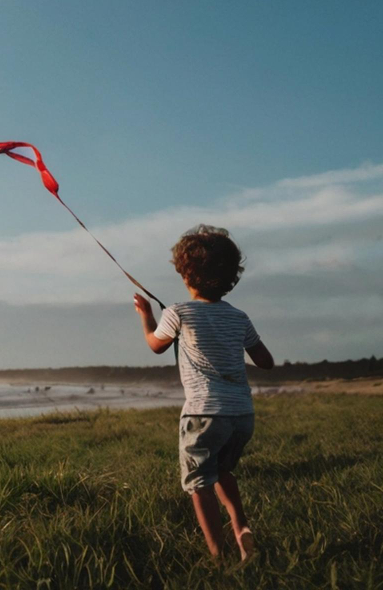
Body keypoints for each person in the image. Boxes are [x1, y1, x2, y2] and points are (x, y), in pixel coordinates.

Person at [132, 224, 274, 562]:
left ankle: (217, 556)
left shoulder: (178, 312)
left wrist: (146, 316)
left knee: (200, 483)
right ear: (230, 277)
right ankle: (240, 525)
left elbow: (155, 345)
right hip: (241, 415)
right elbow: (266, 362)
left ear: (186, 274)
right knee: (222, 471)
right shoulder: (239, 317)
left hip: (203, 414)